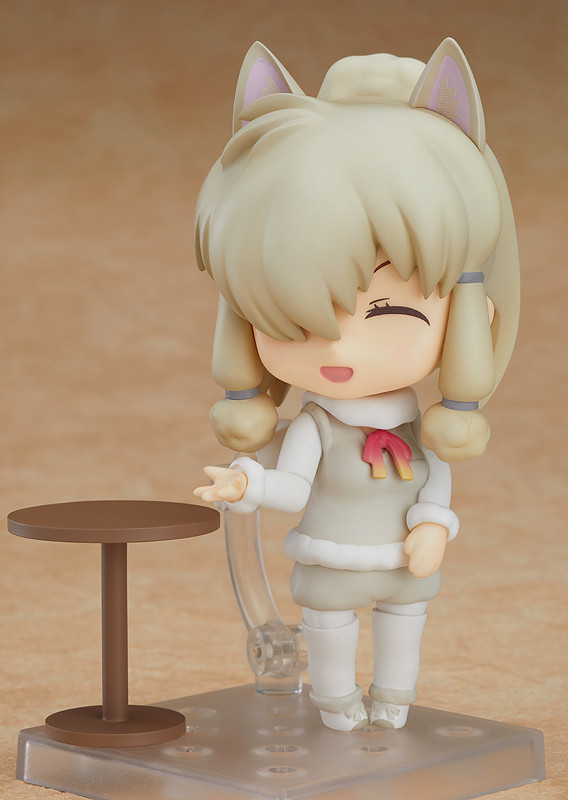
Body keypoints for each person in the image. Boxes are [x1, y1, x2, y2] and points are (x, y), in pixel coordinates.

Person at [194, 38, 519, 730]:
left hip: (404, 566)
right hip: (331, 562)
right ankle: (335, 702)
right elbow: (293, 490)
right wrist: (248, 485)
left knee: (404, 632)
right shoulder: (317, 427)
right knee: (331, 633)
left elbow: (434, 487)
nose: (338, 347)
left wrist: (434, 525)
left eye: (389, 312)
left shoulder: (415, 429)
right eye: (295, 319)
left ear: (471, 317)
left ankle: (394, 701)